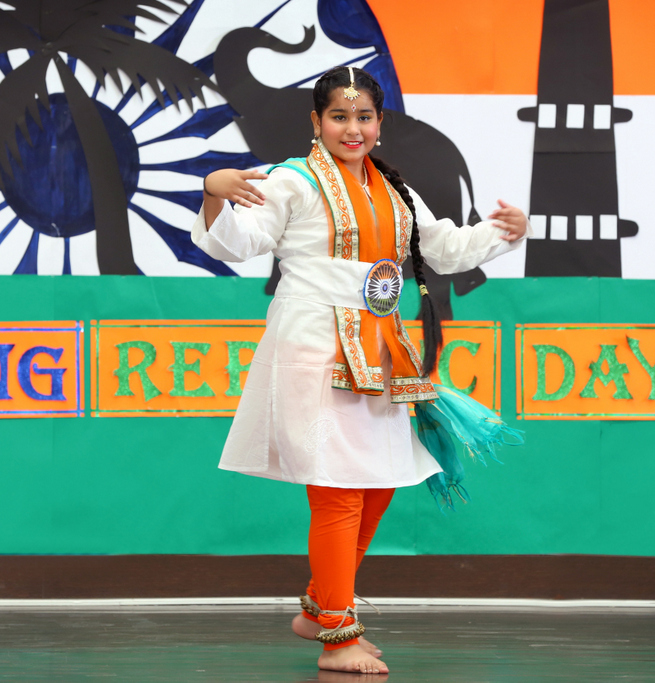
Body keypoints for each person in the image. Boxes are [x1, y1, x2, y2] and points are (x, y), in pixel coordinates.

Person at [192, 66, 528, 675]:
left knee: (375, 484)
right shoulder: (290, 181)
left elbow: (443, 248)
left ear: (379, 123)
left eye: (364, 116)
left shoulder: (395, 188)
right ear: (316, 122)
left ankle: (321, 606)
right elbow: (237, 244)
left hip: (378, 346)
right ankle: (336, 637)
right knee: (340, 490)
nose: (353, 128)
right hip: (315, 344)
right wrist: (215, 188)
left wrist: (503, 233)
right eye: (340, 116)